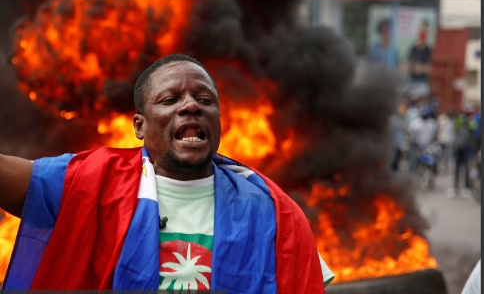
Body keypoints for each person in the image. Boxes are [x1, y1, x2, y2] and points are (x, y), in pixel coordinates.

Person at [0, 54, 334, 293]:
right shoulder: (92, 182)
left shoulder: (273, 209)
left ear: (219, 119)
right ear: (139, 126)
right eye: (170, 99)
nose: (191, 106)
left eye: (204, 99)